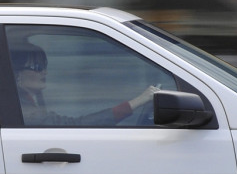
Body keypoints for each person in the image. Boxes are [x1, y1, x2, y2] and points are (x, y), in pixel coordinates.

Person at [11, 42, 158, 126]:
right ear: (17, 73)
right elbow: (76, 125)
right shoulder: (27, 112)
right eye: (37, 67)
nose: (45, 72)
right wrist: (139, 101)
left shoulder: (27, 103)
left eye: (44, 66)